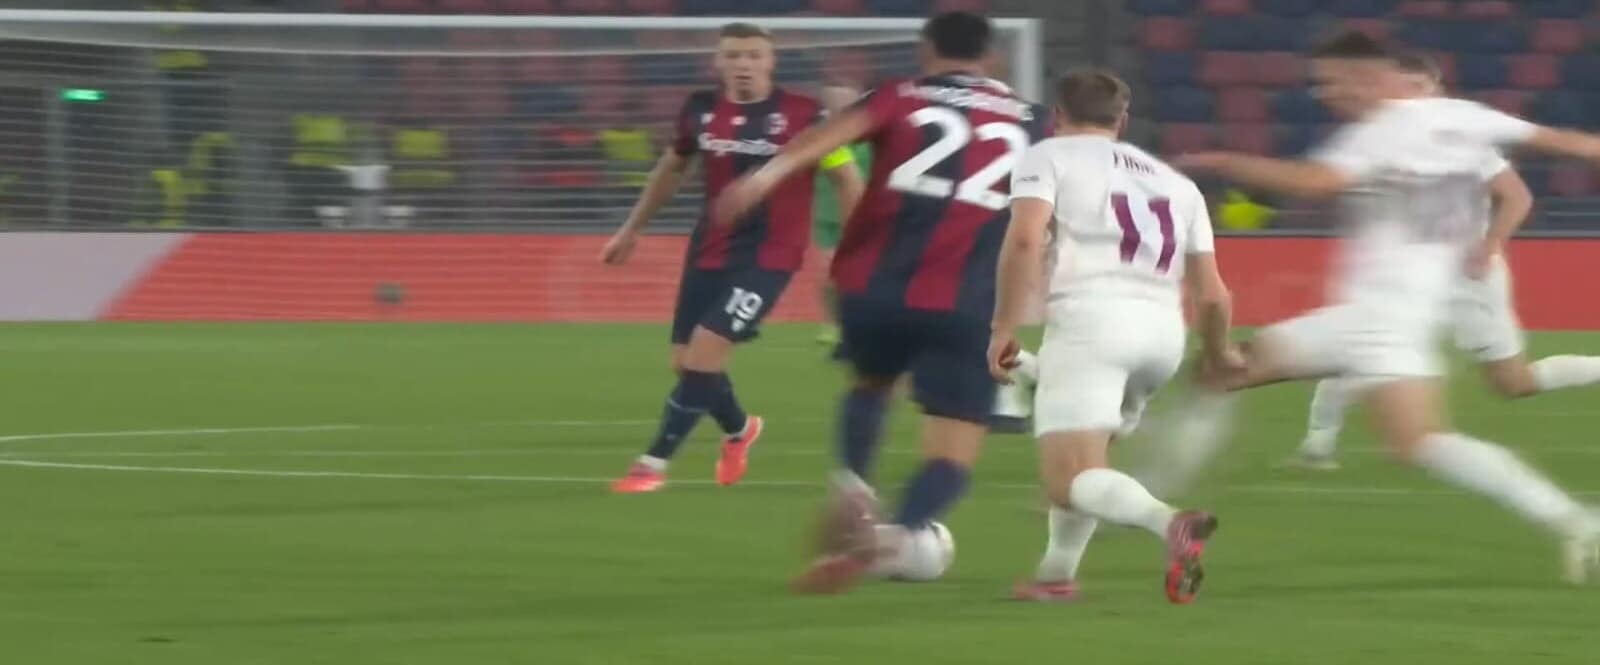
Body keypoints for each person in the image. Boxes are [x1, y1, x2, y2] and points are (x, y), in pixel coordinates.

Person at [1171, 31, 1600, 583]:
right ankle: (1151, 501)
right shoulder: (1465, 117)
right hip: (1375, 314)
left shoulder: (1381, 132)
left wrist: (1222, 160)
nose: (1325, 94)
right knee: (1219, 369)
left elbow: (1315, 182)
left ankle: (1575, 520)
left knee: (1418, 440)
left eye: (1332, 82)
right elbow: (1572, 144)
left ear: (1369, 78)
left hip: (1387, 319)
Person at [715, 11, 1050, 593]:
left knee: (870, 386)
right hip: (965, 301)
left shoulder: (900, 94)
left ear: (926, 49)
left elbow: (825, 139)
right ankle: (897, 534)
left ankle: (853, 483)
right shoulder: (1036, 122)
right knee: (953, 454)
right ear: (992, 58)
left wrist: (761, 180)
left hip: (873, 289)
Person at [989, 70, 1237, 604]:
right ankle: (1056, 576)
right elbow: (1214, 295)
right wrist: (1218, 354)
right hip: (1163, 333)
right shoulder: (1177, 184)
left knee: (1068, 477)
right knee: (1087, 461)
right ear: (1121, 120)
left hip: (1094, 325)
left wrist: (1003, 327)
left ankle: (1170, 523)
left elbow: (1025, 239)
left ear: (1058, 116)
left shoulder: (1049, 156)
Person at [1291, 52, 1600, 470]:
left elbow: (1517, 196)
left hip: (1469, 276)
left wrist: (1489, 245)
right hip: (1408, 273)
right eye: (1408, 87)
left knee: (1512, 382)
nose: (1417, 96)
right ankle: (1317, 447)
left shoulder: (1464, 139)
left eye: (1424, 87)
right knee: (1364, 344)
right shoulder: (1375, 141)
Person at [601, 23, 865, 493]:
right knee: (685, 363)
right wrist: (631, 228)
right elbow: (671, 169)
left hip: (771, 255)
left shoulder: (805, 115)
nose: (744, 64)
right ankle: (741, 430)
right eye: (734, 55)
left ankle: (652, 463)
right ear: (718, 62)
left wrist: (861, 241)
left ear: (771, 61)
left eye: (753, 55)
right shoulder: (700, 110)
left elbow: (845, 178)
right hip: (710, 248)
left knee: (706, 349)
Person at [812, 82, 873, 350]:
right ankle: (832, 324)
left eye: (844, 99)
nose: (839, 104)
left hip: (865, 216)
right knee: (829, 273)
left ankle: (860, 325)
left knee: (863, 274)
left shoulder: (870, 134)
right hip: (826, 215)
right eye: (833, 99)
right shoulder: (820, 135)